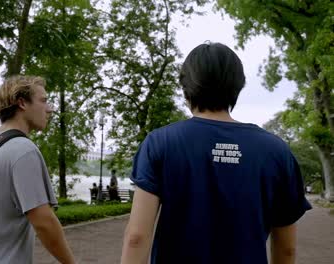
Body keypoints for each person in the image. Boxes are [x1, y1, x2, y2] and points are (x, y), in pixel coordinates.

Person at [121, 42, 312, 264]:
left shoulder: (160, 143)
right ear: (238, 86)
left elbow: (136, 237)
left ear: (186, 87)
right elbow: (286, 249)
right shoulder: (277, 151)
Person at [0, 76, 75, 264]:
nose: (50, 109)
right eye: (43, 101)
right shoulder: (24, 150)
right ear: (22, 103)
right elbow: (44, 223)